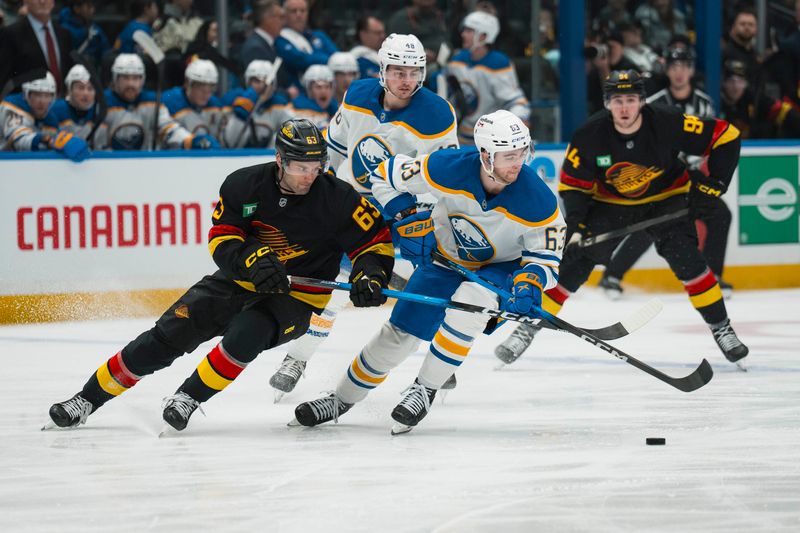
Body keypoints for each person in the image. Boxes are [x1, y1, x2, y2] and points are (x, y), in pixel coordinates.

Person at [46, 118, 395, 432]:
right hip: (237, 281)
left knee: (248, 332)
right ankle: (86, 400)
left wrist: (371, 276)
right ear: (280, 160)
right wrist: (251, 260)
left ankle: (188, 398)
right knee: (166, 336)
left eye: (315, 166)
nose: (309, 175)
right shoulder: (244, 185)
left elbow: (373, 243)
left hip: (297, 296)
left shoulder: (338, 198)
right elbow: (222, 237)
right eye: (299, 167)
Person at [291, 110, 564, 434]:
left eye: (522, 153)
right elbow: (384, 175)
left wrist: (530, 282)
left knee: (470, 303)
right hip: (446, 258)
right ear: (485, 155)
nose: (517, 163)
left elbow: (547, 257)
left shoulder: (539, 200)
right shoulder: (446, 167)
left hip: (501, 268)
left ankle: (424, 388)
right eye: (508, 155)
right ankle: (341, 398)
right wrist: (406, 217)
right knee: (399, 333)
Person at [494, 70, 749, 370]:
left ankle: (721, 327)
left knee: (689, 262)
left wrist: (714, 184)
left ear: (642, 101)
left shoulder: (667, 120)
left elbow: (727, 136)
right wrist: (577, 227)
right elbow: (574, 187)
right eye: (617, 101)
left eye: (630, 100)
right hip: (610, 204)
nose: (624, 108)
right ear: (607, 103)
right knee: (572, 265)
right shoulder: (589, 134)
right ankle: (528, 326)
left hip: (667, 198)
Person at [267, 33, 458, 400]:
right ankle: (298, 357)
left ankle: (434, 357)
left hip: (409, 211)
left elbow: (444, 177)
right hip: (354, 207)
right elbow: (334, 151)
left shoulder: (436, 114)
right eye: (398, 71)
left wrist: (427, 215)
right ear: (382, 70)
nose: (407, 80)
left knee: (427, 286)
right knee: (331, 285)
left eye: (414, 71)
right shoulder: (356, 96)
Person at [599, 46, 727, 299]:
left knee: (720, 214)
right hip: (658, 176)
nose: (679, 72)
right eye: (674, 67)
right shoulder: (654, 104)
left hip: (689, 176)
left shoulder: (704, 103)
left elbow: (711, 142)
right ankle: (612, 276)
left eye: (684, 66)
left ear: (691, 70)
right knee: (652, 223)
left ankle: (714, 278)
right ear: (667, 70)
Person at [97, 53, 216, 151]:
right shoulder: (102, 103)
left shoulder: (152, 102)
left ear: (142, 80)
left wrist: (188, 140)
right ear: (115, 79)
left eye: (135, 78)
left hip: (145, 165)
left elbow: (168, 129)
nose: (131, 84)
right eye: (125, 78)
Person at [445, 10, 529, 145]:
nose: (463, 34)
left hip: (489, 140)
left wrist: (517, 121)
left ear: (483, 36)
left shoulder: (498, 63)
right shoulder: (456, 61)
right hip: (459, 137)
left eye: (469, 31)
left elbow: (516, 102)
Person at [0, 71, 90, 161]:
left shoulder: (50, 119)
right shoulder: (12, 105)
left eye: (47, 95)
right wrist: (47, 140)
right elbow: (19, 141)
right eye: (37, 94)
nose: (42, 101)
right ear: (27, 95)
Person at [0, 0, 73, 94]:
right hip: (24, 103)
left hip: (59, 103)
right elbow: (3, 77)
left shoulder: (64, 34)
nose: (42, 1)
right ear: (25, 2)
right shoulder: (11, 34)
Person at [221, 59, 292, 148]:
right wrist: (241, 115)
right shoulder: (236, 100)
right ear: (249, 82)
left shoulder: (279, 105)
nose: (262, 86)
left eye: (266, 82)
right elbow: (230, 142)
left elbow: (291, 135)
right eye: (257, 81)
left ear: (273, 85)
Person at [276, 0, 337, 93]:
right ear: (285, 15)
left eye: (302, 11)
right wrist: (328, 59)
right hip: (300, 93)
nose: (299, 15)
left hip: (328, 90)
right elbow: (300, 60)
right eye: (294, 11)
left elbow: (337, 57)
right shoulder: (280, 38)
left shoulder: (318, 35)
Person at [162, 59, 224, 144]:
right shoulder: (169, 101)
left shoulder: (216, 106)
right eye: (200, 85)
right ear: (187, 83)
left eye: (211, 86)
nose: (206, 93)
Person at [50, 63, 104, 146]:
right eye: (80, 88)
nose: (86, 93)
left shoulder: (100, 112)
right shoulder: (55, 110)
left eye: (90, 88)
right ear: (69, 90)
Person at [58, 0, 110, 70]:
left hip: (93, 71)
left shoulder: (94, 28)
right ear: (77, 8)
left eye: (92, 6)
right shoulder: (64, 30)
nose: (92, 10)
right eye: (88, 6)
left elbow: (105, 51)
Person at [291, 64, 337, 130]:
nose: (323, 91)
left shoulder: (335, 110)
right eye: (318, 87)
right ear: (309, 89)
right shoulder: (298, 115)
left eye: (327, 87)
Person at [240, 0, 282, 68]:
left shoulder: (267, 44)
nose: (283, 22)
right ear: (267, 19)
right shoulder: (255, 48)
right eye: (280, 17)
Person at [350, 15, 385, 79]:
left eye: (383, 32)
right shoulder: (354, 60)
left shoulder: (389, 57)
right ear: (363, 34)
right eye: (377, 33)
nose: (382, 36)